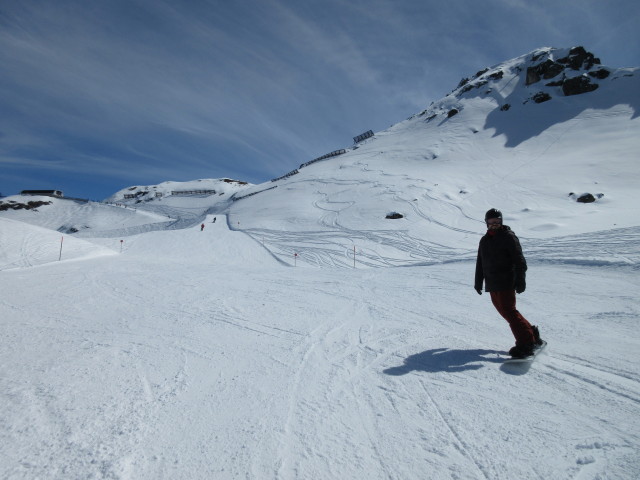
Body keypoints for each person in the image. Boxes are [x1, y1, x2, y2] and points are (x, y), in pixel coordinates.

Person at [474, 208, 543, 358]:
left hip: (506, 281)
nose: (494, 224)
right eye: (491, 222)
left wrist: (520, 279)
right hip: (492, 283)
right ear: (486, 223)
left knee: (509, 311)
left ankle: (526, 343)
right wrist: (478, 281)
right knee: (507, 312)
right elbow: (480, 262)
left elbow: (519, 260)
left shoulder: (508, 237)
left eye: (497, 221)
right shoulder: (484, 240)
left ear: (501, 222)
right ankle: (532, 335)